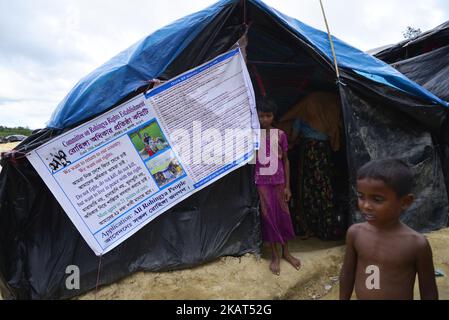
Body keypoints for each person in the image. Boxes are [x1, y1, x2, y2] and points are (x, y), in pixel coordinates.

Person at [339, 159, 438, 300]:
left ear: (405, 202)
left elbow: (429, 292)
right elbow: (347, 274)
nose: (366, 205)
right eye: (361, 196)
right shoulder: (355, 233)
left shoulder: (416, 244)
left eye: (377, 199)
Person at [281, 91, 342, 241]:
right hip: (324, 152)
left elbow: (294, 136)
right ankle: (326, 227)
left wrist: (293, 141)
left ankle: (308, 227)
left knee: (307, 188)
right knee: (324, 186)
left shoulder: (302, 114)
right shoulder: (331, 112)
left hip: (308, 152)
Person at [255, 98, 301, 276]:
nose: (265, 119)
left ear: (274, 116)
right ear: (257, 116)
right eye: (262, 116)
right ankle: (275, 255)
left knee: (283, 215)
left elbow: (286, 160)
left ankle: (286, 252)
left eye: (268, 116)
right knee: (269, 218)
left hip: (280, 181)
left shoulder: (280, 134)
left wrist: (288, 186)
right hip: (262, 183)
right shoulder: (254, 135)